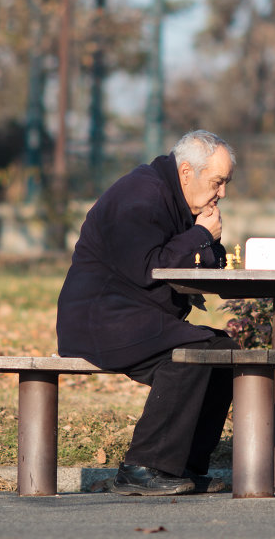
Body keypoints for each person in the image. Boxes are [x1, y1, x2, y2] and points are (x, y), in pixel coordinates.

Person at [56, 129, 238, 496]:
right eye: (218, 182)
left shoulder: (177, 199)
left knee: (224, 352)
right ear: (187, 171)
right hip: (102, 318)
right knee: (197, 351)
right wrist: (201, 234)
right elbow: (151, 269)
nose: (223, 193)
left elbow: (203, 261)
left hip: (134, 317)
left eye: (225, 183)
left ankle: (180, 467)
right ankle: (142, 466)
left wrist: (203, 239)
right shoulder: (142, 195)